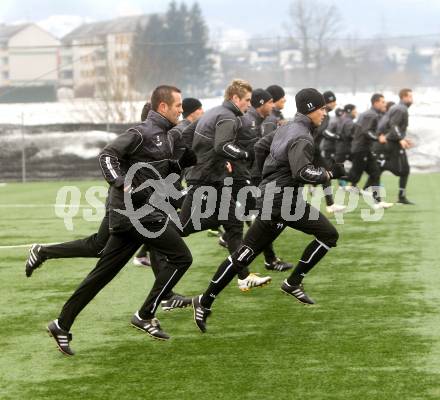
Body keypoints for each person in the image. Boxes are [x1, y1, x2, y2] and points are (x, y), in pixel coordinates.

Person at [46, 85, 196, 355]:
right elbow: (107, 155)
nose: (180, 110)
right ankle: (145, 314)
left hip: (135, 217)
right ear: (163, 107)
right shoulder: (141, 132)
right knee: (182, 258)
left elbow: (168, 169)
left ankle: (61, 323)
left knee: (101, 275)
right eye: (177, 105)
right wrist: (119, 180)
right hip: (137, 216)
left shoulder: (166, 136)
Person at [191, 88, 343, 332]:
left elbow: (261, 147)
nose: (325, 113)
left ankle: (205, 299)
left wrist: (263, 178)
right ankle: (293, 282)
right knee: (329, 235)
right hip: (285, 202)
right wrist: (330, 173)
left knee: (244, 254)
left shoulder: (286, 127)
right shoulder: (302, 136)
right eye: (323, 108)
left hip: (272, 198)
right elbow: (302, 172)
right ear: (311, 108)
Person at [180, 79, 272, 291]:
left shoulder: (214, 112)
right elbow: (222, 146)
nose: (249, 104)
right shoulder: (228, 116)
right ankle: (155, 236)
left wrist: (195, 160)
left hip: (212, 176)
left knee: (233, 223)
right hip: (205, 178)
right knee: (182, 226)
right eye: (247, 100)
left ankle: (243, 276)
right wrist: (245, 154)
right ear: (235, 98)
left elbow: (186, 136)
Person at [219, 88, 293, 272]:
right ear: (261, 104)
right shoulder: (245, 120)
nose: (273, 105)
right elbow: (226, 144)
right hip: (245, 175)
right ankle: (264, 261)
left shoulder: (262, 120)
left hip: (252, 175)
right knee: (265, 216)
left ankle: (265, 257)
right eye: (270, 102)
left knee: (262, 215)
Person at [347, 93, 393, 209]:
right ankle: (332, 176)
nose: (384, 104)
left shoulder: (371, 114)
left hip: (365, 149)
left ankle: (377, 201)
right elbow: (366, 132)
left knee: (375, 173)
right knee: (354, 176)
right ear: (376, 102)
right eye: (382, 102)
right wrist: (378, 138)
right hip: (361, 149)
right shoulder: (371, 115)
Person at [374, 89, 414, 204]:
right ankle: (381, 164)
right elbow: (393, 125)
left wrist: (402, 138)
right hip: (392, 143)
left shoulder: (399, 108)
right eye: (410, 96)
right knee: (401, 170)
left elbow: (391, 126)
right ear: (403, 97)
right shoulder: (400, 109)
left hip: (392, 141)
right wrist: (400, 138)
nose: (412, 99)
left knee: (405, 170)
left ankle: (400, 197)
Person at [312, 90, 346, 213]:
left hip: (313, 148)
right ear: (327, 102)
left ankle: (329, 204)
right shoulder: (323, 114)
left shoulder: (323, 113)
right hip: (310, 148)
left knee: (325, 174)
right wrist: (335, 137)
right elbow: (321, 131)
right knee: (324, 173)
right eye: (333, 101)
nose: (335, 104)